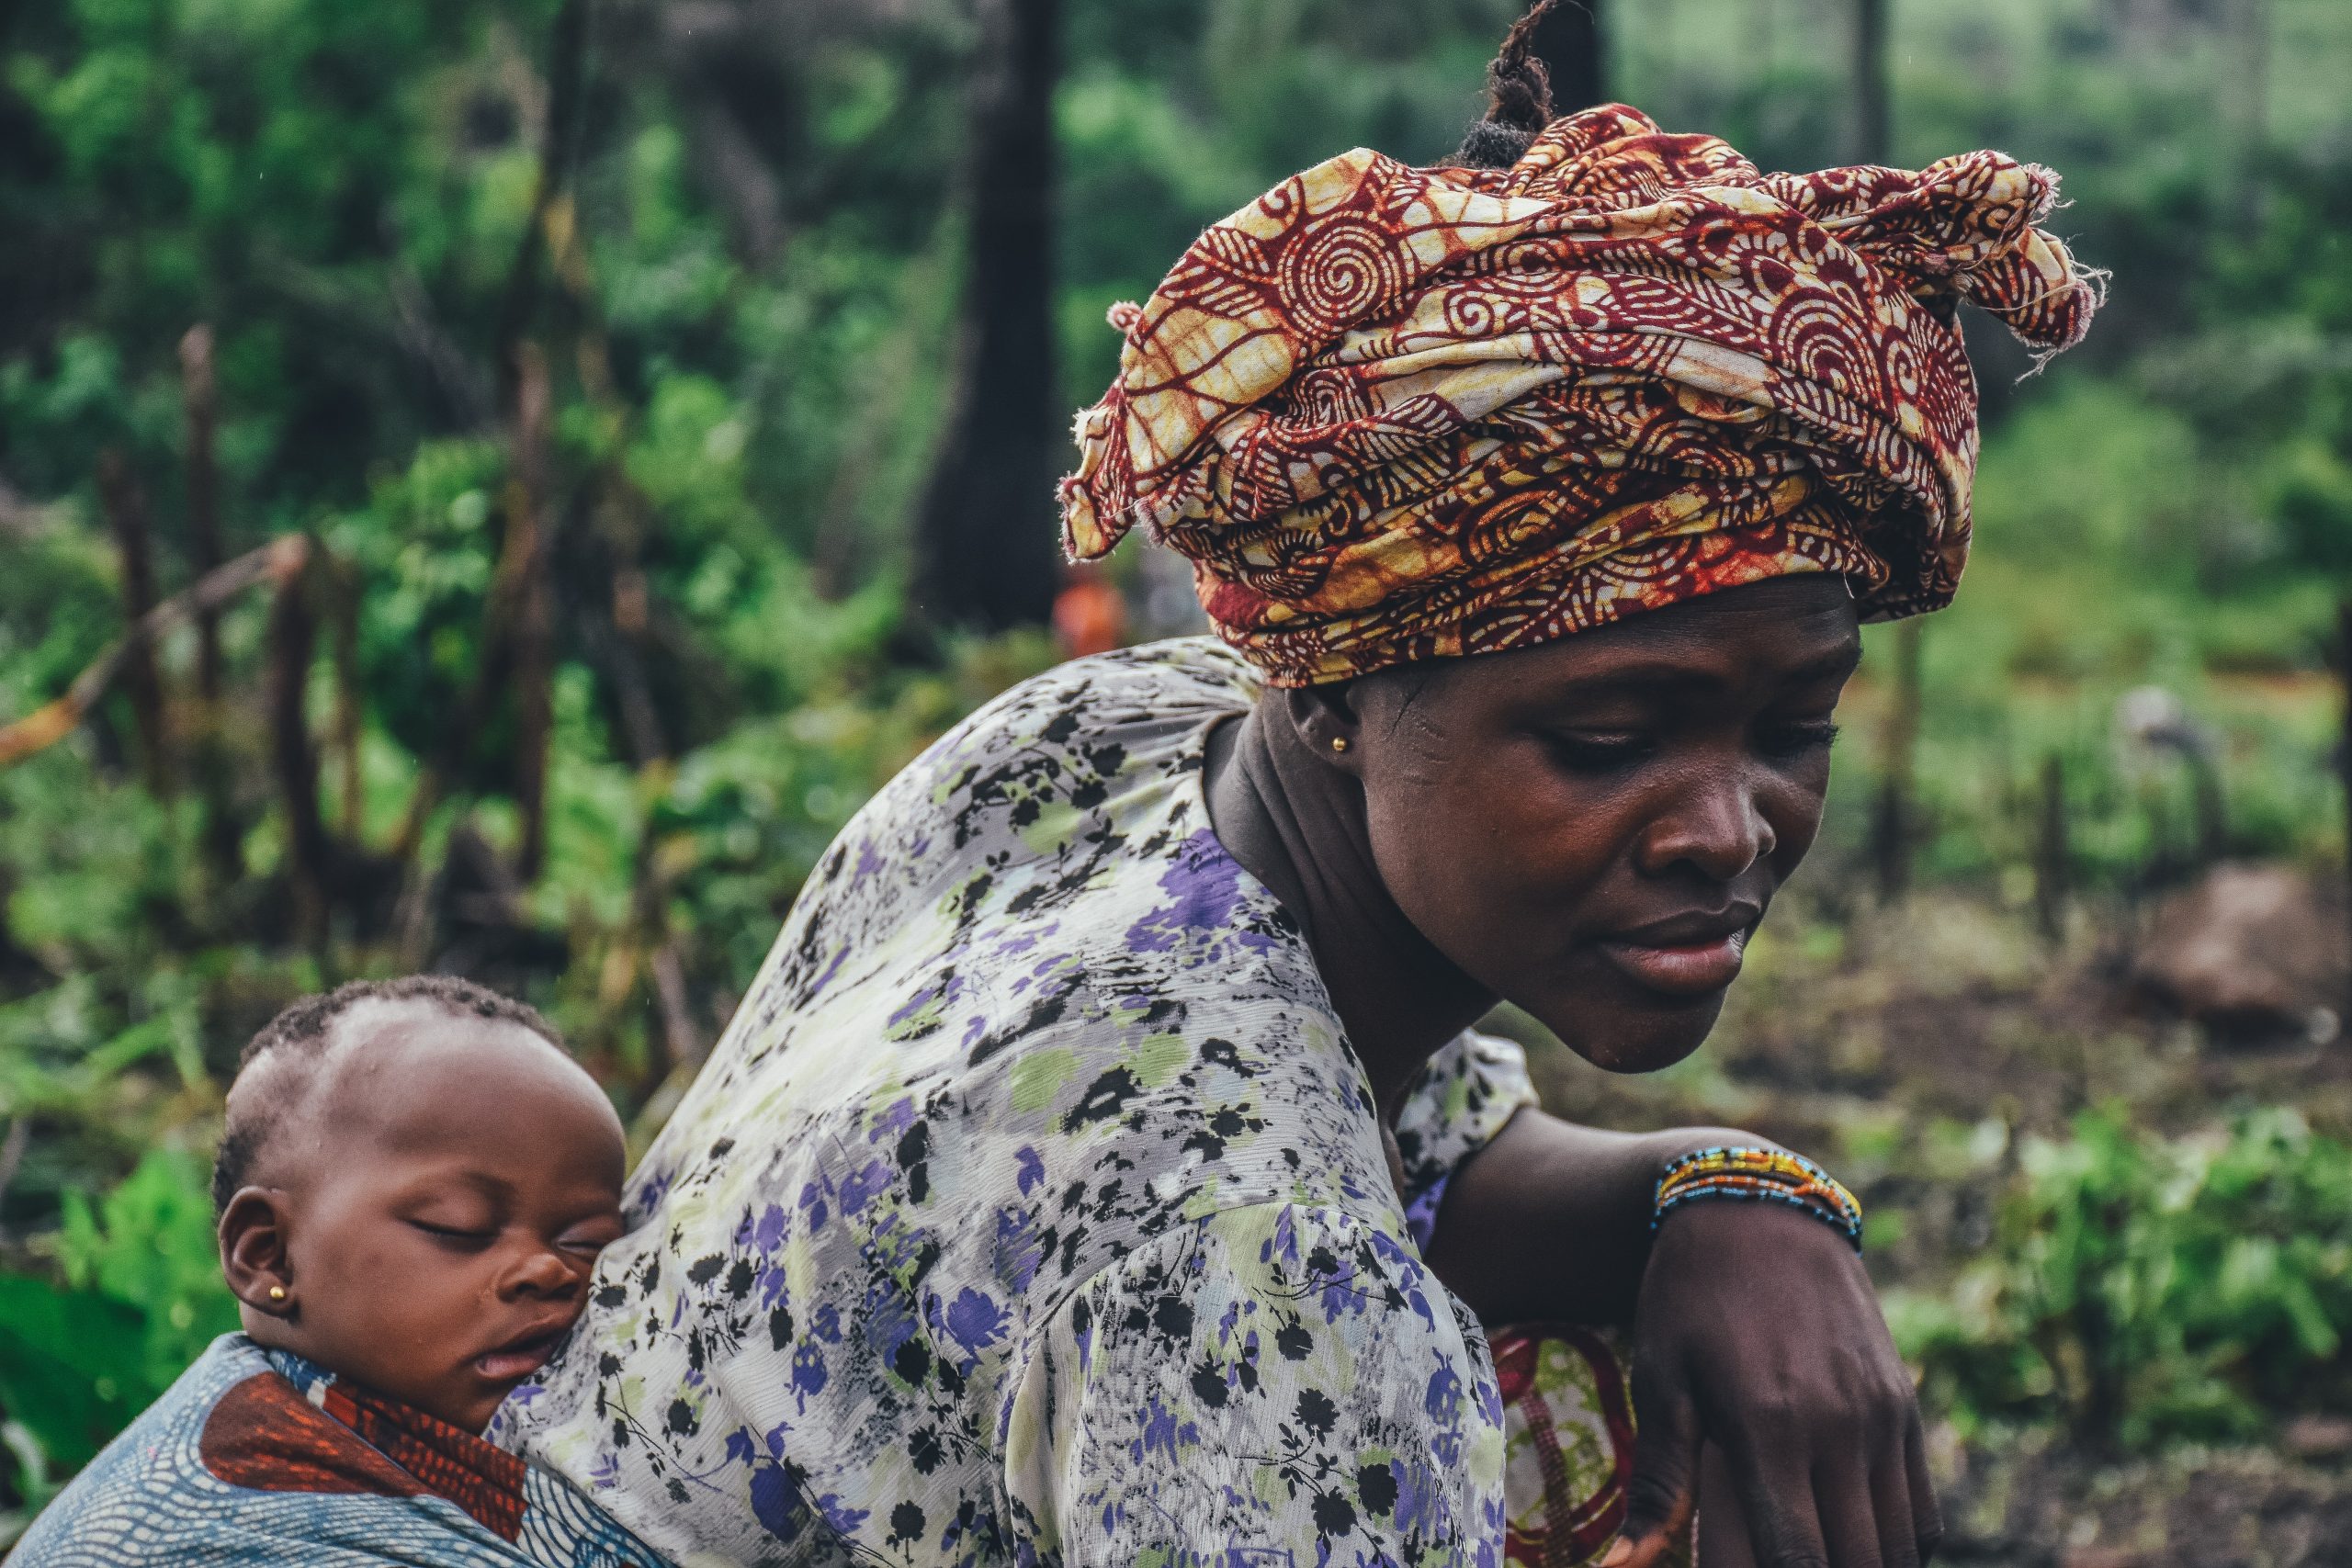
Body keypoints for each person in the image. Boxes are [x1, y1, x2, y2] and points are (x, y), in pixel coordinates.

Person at [494, 50, 2098, 1568]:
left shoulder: (1108, 740)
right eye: (1609, 736)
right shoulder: (1248, 1263)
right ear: (1331, 693)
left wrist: (1732, 1187)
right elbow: (1273, 1192)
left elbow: (1424, 1149)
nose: (1727, 827)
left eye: (1793, 727)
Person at [12, 977, 663, 1568]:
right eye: (457, 1225)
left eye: (585, 1239)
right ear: (267, 1253)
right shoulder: (225, 1529)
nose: (547, 1268)